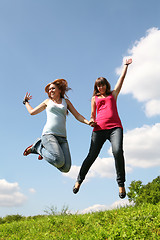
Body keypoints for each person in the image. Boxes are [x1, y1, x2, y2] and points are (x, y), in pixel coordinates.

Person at [73, 59, 132, 198]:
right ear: (96, 87)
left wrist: (126, 66)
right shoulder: (95, 98)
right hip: (98, 129)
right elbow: (93, 115)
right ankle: (79, 181)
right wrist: (92, 121)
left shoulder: (113, 94)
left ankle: (121, 184)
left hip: (115, 128)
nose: (101, 88)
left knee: (117, 151)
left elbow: (121, 79)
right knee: (91, 156)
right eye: (98, 86)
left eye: (103, 85)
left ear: (106, 85)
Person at [23, 79, 91, 173]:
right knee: (59, 161)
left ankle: (43, 150)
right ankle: (38, 147)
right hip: (49, 134)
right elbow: (32, 112)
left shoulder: (66, 102)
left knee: (66, 168)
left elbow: (77, 115)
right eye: (49, 89)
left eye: (53, 88)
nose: (50, 90)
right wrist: (26, 102)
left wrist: (88, 122)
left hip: (62, 137)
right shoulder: (47, 102)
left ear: (59, 90)